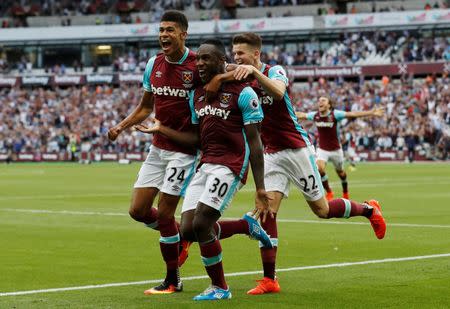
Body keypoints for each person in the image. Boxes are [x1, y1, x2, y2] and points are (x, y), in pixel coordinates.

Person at [204, 32, 386, 295]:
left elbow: (277, 93)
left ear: (256, 54)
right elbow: (218, 73)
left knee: (321, 210)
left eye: (241, 53)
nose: (236, 58)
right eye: (234, 53)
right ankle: (270, 279)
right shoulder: (237, 73)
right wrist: (223, 75)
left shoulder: (274, 70)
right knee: (267, 212)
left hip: (297, 149)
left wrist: (253, 73)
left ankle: (369, 210)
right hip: (271, 153)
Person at [136, 39, 271, 300]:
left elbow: (255, 143)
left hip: (230, 165)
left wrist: (260, 187)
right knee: (188, 230)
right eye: (198, 59)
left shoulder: (244, 92)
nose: (200, 63)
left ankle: (220, 288)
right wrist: (161, 129)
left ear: (222, 62)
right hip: (206, 164)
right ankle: (246, 226)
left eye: (206, 59)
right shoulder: (196, 95)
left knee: (201, 223)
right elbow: (196, 140)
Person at [107, 11, 201, 295]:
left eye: (170, 30)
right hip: (158, 148)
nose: (163, 35)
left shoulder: (197, 66)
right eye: (161, 30)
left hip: (184, 151)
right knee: (137, 210)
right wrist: (121, 126)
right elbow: (146, 107)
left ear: (183, 33)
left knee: (164, 215)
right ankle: (179, 235)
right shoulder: (154, 63)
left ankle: (173, 280)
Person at [296, 97, 384, 200]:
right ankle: (329, 192)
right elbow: (301, 115)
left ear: (329, 105)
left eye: (323, 100)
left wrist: (371, 112)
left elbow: (352, 114)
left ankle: (345, 192)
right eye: (319, 100)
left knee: (341, 173)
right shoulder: (315, 115)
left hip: (336, 150)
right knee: (319, 168)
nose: (320, 102)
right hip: (322, 149)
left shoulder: (335, 114)